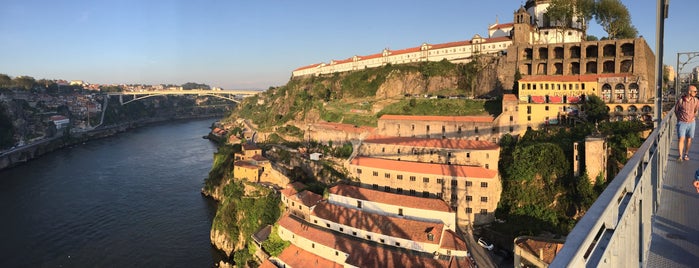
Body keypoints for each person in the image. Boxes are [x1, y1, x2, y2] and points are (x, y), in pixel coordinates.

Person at [674, 85, 699, 161]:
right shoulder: (680, 101)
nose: (696, 92)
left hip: (692, 123)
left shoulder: (696, 101)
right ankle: (680, 156)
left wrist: (694, 116)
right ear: (689, 92)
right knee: (681, 139)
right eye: (695, 91)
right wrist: (679, 118)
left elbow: (696, 110)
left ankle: (686, 154)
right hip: (682, 123)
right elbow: (676, 110)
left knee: (689, 139)